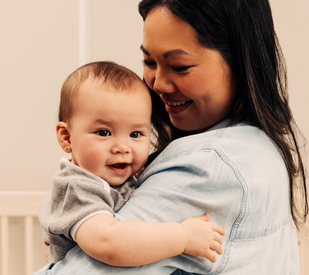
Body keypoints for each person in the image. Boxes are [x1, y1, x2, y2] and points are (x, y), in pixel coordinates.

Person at [33, 0, 308, 274]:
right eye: (149, 61)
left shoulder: (209, 163)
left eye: (179, 67)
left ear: (239, 61)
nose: (158, 84)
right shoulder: (264, 142)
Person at [38, 61, 225, 267]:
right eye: (103, 132)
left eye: (135, 134)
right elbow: (108, 243)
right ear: (67, 137)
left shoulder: (124, 177)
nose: (122, 147)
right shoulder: (78, 188)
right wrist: (183, 237)